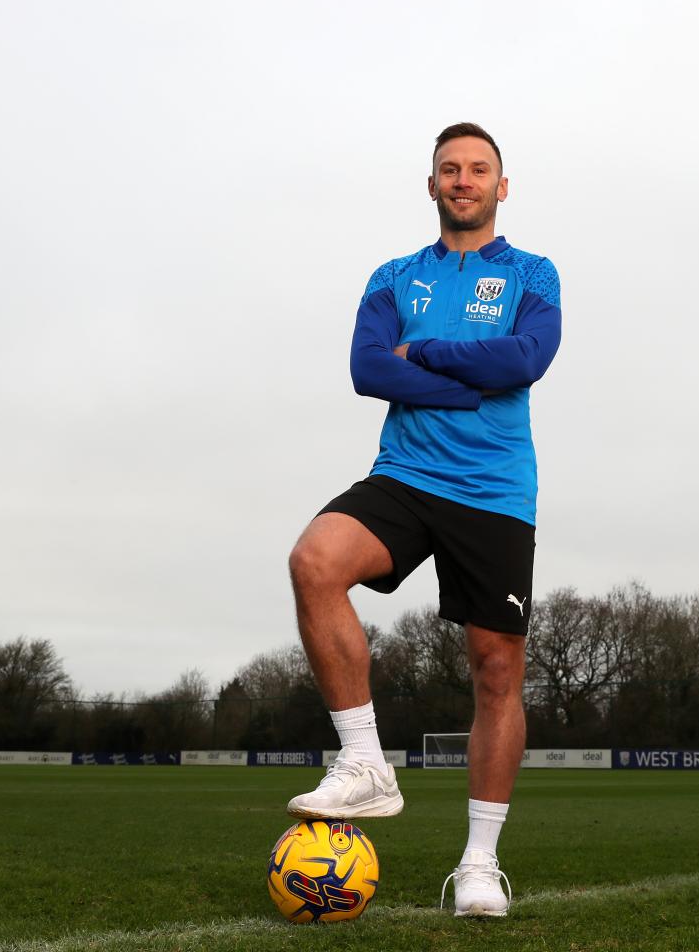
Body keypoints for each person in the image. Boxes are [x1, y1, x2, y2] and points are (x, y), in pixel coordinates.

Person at [286, 122, 561, 917]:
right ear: (432, 183)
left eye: (480, 169)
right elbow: (367, 369)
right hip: (405, 474)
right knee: (314, 561)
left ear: (501, 187)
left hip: (494, 489)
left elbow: (527, 359)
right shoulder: (394, 276)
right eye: (450, 169)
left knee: (496, 670)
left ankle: (479, 864)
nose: (464, 180)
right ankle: (367, 764)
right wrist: (468, 376)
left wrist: (427, 359)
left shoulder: (533, 273)